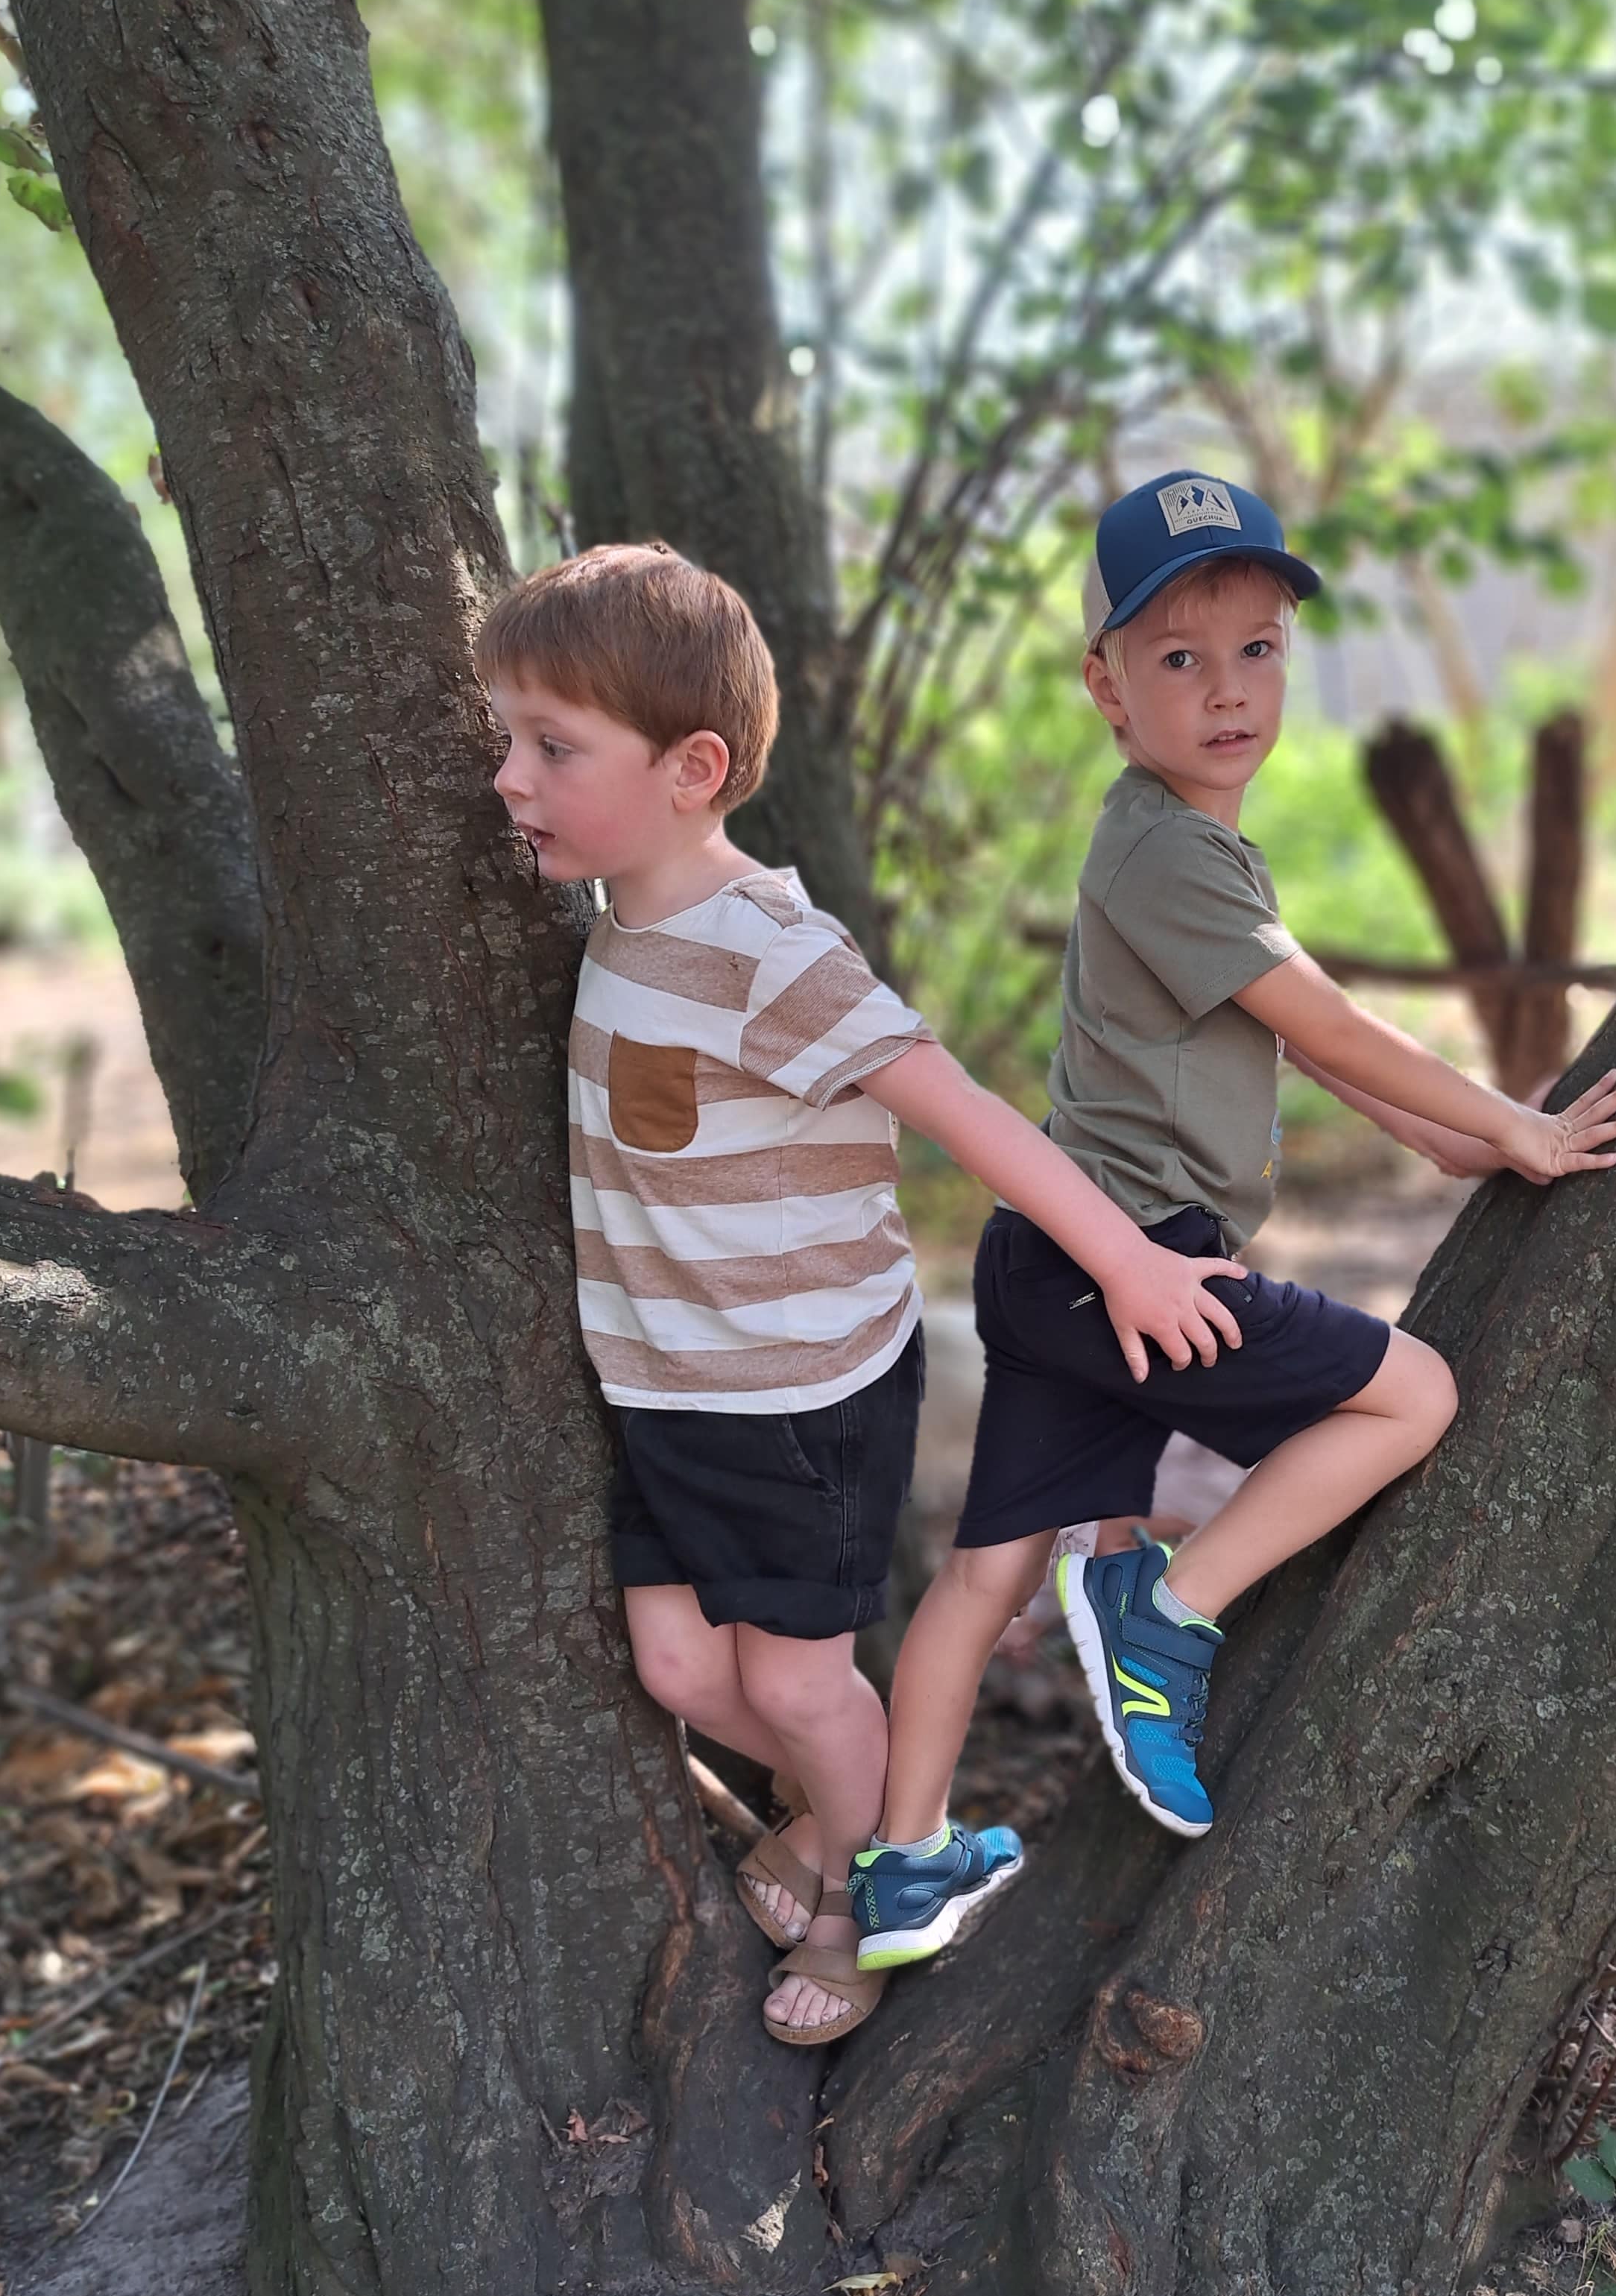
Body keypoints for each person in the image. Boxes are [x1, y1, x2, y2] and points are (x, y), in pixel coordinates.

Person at [856, 471, 1616, 1963]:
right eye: (1176, 656)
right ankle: (1169, 1607)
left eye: (1257, 649)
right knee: (1411, 1393)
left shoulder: (1176, 848)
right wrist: (1512, 1119)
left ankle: (901, 1863)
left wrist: (1451, 1140)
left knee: (982, 1573)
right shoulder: (1165, 847)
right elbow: (1332, 1026)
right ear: (1101, 686)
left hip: (1054, 1258)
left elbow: (1287, 1052)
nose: (1226, 690)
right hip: (1138, 1263)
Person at [484, 541, 1248, 2046]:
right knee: (675, 1665)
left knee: (793, 1672)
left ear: (693, 767)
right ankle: (826, 1817)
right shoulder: (617, 917)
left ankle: (868, 1867)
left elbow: (957, 1105)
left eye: (549, 747)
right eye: (508, 738)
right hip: (667, 1387)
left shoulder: (771, 951)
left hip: (795, 1396)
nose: (507, 776)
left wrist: (1127, 1256)